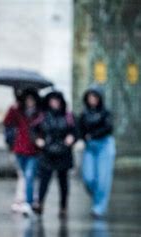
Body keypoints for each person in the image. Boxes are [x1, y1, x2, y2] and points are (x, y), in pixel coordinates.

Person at [32, 91, 76, 218]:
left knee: (63, 182)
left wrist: (71, 138)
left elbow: (75, 131)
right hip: (47, 152)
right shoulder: (43, 116)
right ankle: (39, 203)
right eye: (52, 101)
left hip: (63, 152)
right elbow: (34, 130)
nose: (54, 103)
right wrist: (38, 140)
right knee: (44, 180)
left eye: (57, 101)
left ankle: (63, 206)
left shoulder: (68, 116)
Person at [78, 87, 116, 218]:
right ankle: (97, 197)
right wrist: (83, 138)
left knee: (103, 179)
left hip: (104, 145)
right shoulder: (84, 113)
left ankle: (99, 207)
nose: (92, 100)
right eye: (90, 97)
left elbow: (109, 127)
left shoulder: (105, 112)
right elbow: (80, 129)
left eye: (95, 97)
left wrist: (93, 135)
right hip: (90, 147)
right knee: (88, 177)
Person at [3, 88, 42, 216]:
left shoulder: (39, 114)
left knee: (29, 175)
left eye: (32, 100)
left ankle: (28, 202)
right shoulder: (18, 111)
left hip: (34, 150)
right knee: (25, 176)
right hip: (20, 148)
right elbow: (7, 121)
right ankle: (25, 200)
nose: (30, 102)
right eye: (27, 100)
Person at [4, 88, 26, 213]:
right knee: (22, 174)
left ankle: (22, 198)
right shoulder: (14, 110)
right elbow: (7, 124)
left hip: (26, 147)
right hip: (17, 147)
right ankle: (21, 198)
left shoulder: (31, 111)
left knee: (24, 174)